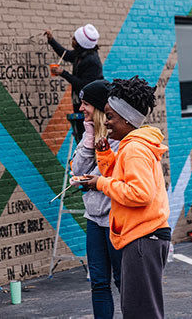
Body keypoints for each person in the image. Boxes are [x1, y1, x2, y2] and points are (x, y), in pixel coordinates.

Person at [84, 76, 170, 319]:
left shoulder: (133, 149)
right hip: (144, 237)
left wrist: (99, 182)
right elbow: (123, 179)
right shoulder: (131, 146)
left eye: (110, 116)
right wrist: (104, 155)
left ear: (127, 118)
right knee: (139, 309)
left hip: (143, 238)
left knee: (140, 312)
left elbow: (139, 194)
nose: (106, 122)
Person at [70, 80, 122, 319]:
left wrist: (93, 181)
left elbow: (112, 177)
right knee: (99, 283)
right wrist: (89, 134)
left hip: (117, 221)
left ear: (100, 107)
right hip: (93, 219)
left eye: (86, 103)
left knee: (124, 283)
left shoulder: (121, 140)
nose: (81, 108)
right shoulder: (90, 135)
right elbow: (77, 168)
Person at [45, 24, 103, 142]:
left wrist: (63, 73)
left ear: (80, 42)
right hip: (81, 103)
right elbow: (65, 54)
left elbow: (83, 84)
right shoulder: (81, 54)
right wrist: (51, 40)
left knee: (87, 136)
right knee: (80, 135)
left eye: (74, 39)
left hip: (91, 105)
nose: (72, 40)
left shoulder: (91, 61)